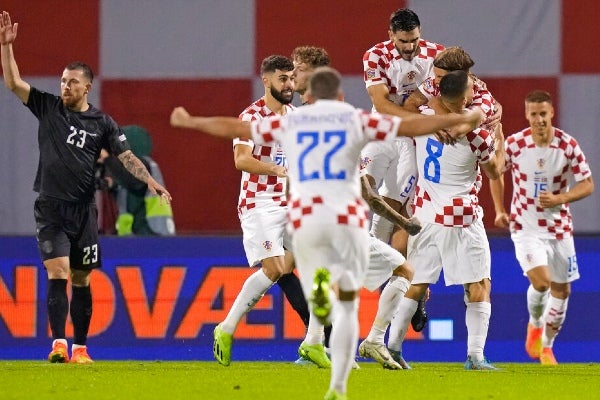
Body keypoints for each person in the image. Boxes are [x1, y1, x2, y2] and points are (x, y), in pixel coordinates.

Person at [170, 66, 483, 399]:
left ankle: (317, 333)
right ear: (339, 95)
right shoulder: (354, 121)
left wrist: (192, 122)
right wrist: (453, 120)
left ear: (312, 97)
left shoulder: (294, 122)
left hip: (307, 222)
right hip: (339, 221)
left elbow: (236, 127)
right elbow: (410, 124)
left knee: (330, 277)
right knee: (343, 296)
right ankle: (333, 372)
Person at [0, 11, 172, 363]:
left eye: (72, 82)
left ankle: (80, 348)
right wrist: (6, 48)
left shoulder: (102, 122)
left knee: (81, 278)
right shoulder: (48, 107)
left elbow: (125, 157)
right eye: (63, 81)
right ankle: (58, 344)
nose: (65, 86)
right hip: (50, 207)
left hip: (84, 211)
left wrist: (151, 180)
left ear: (86, 87)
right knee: (58, 271)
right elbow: (14, 83)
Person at [210, 55, 329, 368]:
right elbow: (241, 160)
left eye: (291, 78)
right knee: (275, 269)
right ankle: (226, 328)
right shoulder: (250, 117)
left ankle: (315, 341)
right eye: (282, 79)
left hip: (286, 203)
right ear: (266, 81)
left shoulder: (295, 115)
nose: (289, 85)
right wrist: (276, 169)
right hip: (258, 203)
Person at [385, 70, 505, 370]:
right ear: (465, 97)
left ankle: (393, 348)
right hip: (459, 215)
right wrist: (500, 138)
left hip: (424, 213)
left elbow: (412, 108)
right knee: (478, 284)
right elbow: (494, 172)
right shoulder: (476, 134)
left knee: (417, 282)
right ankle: (475, 356)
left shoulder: (425, 117)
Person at [490, 90, 594, 365]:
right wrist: (500, 210)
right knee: (541, 281)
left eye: (543, 114)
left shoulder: (567, 145)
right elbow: (496, 172)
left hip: (559, 229)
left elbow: (587, 183)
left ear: (551, 114)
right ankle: (535, 323)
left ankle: (546, 346)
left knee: (562, 291)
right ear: (527, 115)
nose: (538, 119)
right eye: (533, 114)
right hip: (525, 227)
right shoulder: (516, 144)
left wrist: (562, 198)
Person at [362, 8, 444, 332]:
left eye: (414, 40)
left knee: (401, 209)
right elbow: (382, 105)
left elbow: (452, 90)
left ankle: (411, 286)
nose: (409, 47)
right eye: (403, 41)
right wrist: (415, 114)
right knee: (365, 190)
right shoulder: (375, 56)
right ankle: (395, 275)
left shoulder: (436, 54)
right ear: (390, 34)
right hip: (382, 134)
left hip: (411, 143)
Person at [101, 125, 176, 236]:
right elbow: (125, 184)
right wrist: (111, 184)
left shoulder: (146, 166)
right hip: (133, 239)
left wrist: (107, 159)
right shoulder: (126, 172)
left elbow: (133, 181)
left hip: (153, 235)